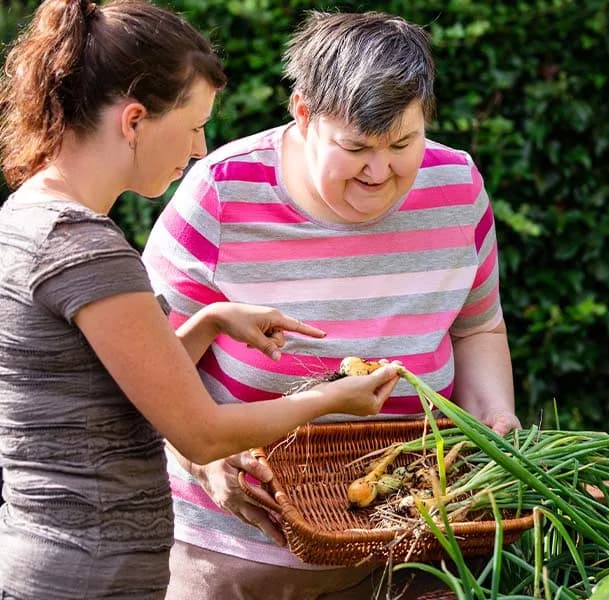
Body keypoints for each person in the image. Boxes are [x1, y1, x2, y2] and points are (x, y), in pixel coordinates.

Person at [0, 2, 402, 599]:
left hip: (50, 555)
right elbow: (201, 433)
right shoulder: (86, 246)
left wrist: (210, 320)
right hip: (88, 571)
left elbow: (118, 388)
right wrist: (329, 401)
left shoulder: (28, 213)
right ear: (134, 121)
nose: (198, 148)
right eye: (193, 125)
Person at [142, 10, 520, 600]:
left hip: (419, 542)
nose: (380, 172)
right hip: (241, 550)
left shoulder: (458, 187)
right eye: (356, 148)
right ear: (303, 114)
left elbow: (478, 329)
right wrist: (204, 461)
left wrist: (497, 418)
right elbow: (144, 371)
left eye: (403, 143)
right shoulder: (222, 193)